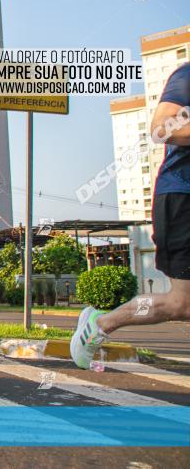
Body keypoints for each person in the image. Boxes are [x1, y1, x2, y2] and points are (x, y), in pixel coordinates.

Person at [71, 63, 190, 368]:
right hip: (182, 197)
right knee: (180, 303)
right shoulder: (187, 75)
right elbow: (161, 128)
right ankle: (101, 323)